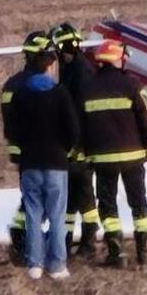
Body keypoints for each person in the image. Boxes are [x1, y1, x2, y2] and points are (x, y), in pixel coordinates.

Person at [81, 40, 147, 269]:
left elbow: (82, 127)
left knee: (107, 206)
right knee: (139, 205)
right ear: (119, 59)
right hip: (133, 157)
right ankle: (143, 255)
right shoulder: (133, 85)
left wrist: (86, 155)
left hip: (102, 160)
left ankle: (117, 254)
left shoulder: (88, 89)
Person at [7, 53, 80, 281]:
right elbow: (73, 130)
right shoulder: (60, 93)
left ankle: (34, 264)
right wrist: (65, 149)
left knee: (32, 214)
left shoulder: (21, 95)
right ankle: (57, 265)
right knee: (57, 215)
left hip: (30, 163)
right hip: (56, 163)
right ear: (50, 67)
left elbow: (13, 130)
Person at [1, 31, 56, 264]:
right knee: (39, 197)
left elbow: (9, 122)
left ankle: (23, 239)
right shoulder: (42, 85)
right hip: (41, 150)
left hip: (21, 150)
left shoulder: (11, 84)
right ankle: (25, 242)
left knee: (32, 196)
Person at [50, 22, 100, 259]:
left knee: (84, 194)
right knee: (71, 197)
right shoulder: (72, 69)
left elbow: (80, 112)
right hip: (73, 146)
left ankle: (89, 241)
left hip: (81, 148)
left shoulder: (80, 73)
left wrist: (77, 145)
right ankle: (67, 240)